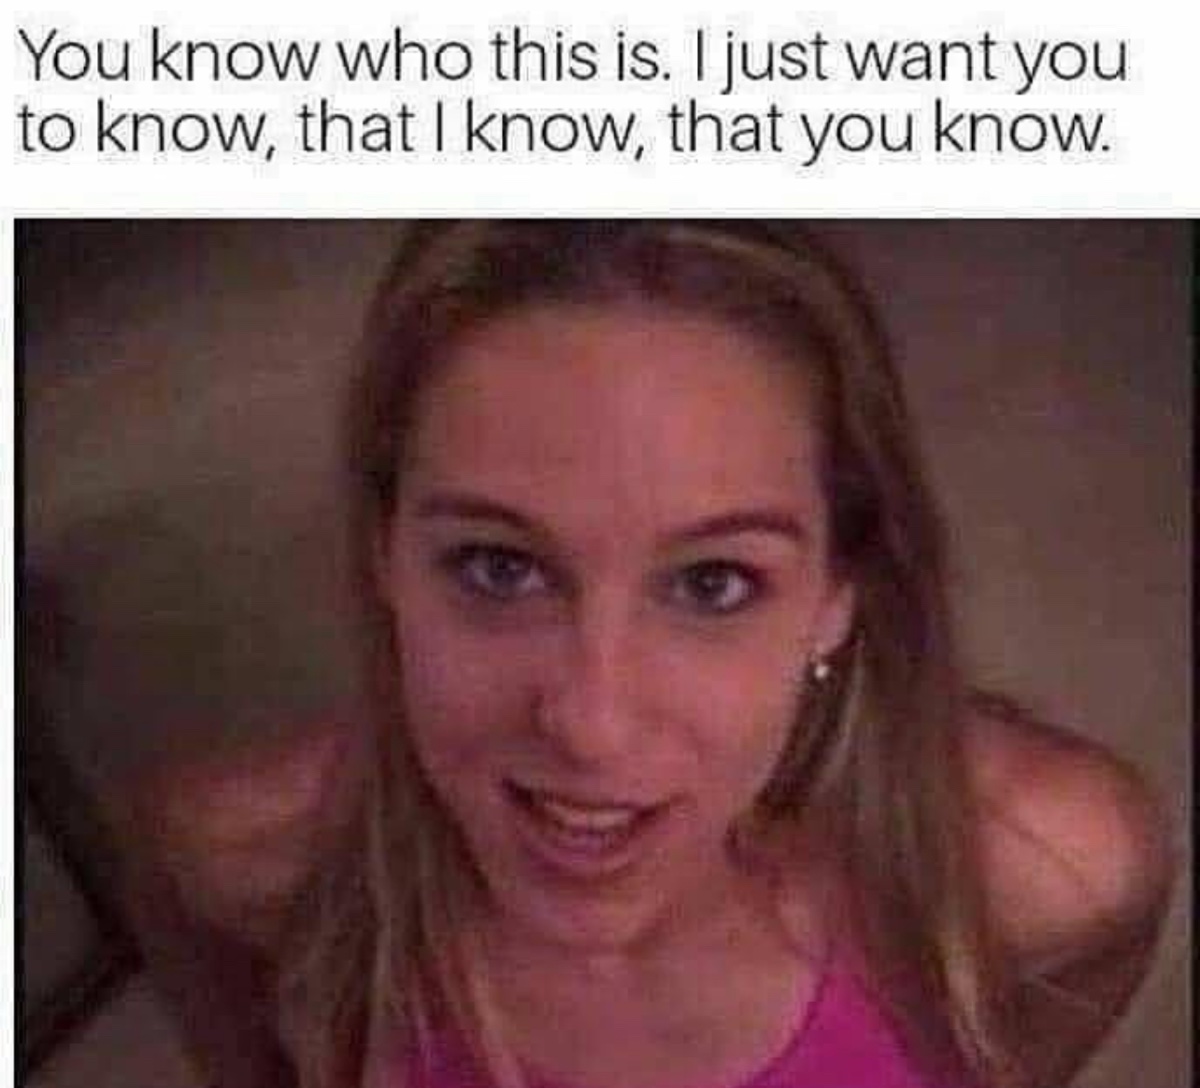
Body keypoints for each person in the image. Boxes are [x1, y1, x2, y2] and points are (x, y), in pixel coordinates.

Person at [115, 222, 1175, 1088]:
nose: (592, 725)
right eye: (498, 566)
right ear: (382, 552)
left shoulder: (1038, 861)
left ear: (839, 592)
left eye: (712, 584)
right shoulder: (247, 854)